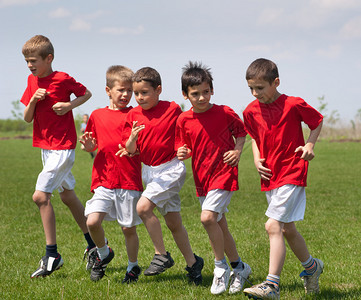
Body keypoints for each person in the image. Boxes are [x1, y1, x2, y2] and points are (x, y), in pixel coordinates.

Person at [241, 58, 324, 299]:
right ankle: (311, 267)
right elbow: (255, 138)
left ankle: (272, 285)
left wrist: (309, 144)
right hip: (270, 175)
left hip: (293, 171)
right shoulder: (250, 111)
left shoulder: (293, 104)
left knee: (272, 225)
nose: (256, 93)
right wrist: (256, 160)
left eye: (260, 88)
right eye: (251, 89)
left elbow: (317, 121)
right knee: (287, 229)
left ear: (275, 82)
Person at [20, 35, 95, 278]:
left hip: (62, 148)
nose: (30, 65)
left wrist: (68, 106)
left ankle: (52, 254)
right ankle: (95, 246)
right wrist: (33, 100)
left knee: (40, 196)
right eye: (27, 61)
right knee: (68, 196)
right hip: (45, 148)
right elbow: (27, 118)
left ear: (48, 58)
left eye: (33, 60)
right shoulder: (32, 81)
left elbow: (86, 94)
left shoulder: (62, 79)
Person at [175, 62, 252, 295]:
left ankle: (220, 268)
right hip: (202, 178)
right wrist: (182, 152)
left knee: (207, 218)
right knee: (219, 225)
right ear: (185, 95)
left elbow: (242, 132)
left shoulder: (224, 112)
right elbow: (182, 145)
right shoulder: (183, 120)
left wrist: (237, 151)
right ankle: (239, 267)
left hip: (224, 173)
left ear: (212, 90)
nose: (201, 98)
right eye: (195, 94)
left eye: (205, 92)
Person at [122, 67, 204, 285]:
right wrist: (132, 138)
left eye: (144, 92)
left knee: (143, 208)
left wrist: (183, 148)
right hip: (149, 172)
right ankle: (193, 263)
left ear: (158, 90)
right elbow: (130, 149)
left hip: (170, 169)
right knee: (174, 222)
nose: (139, 97)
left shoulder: (172, 108)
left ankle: (161, 255)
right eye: (136, 93)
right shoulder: (133, 115)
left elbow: (186, 131)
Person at [80, 65, 143, 283]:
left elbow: (137, 148)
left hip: (128, 180)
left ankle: (133, 267)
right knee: (92, 221)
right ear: (108, 90)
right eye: (121, 90)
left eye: (129, 91)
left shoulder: (136, 114)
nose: (126, 95)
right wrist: (88, 147)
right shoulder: (97, 115)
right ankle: (104, 253)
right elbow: (91, 145)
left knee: (128, 228)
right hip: (103, 179)